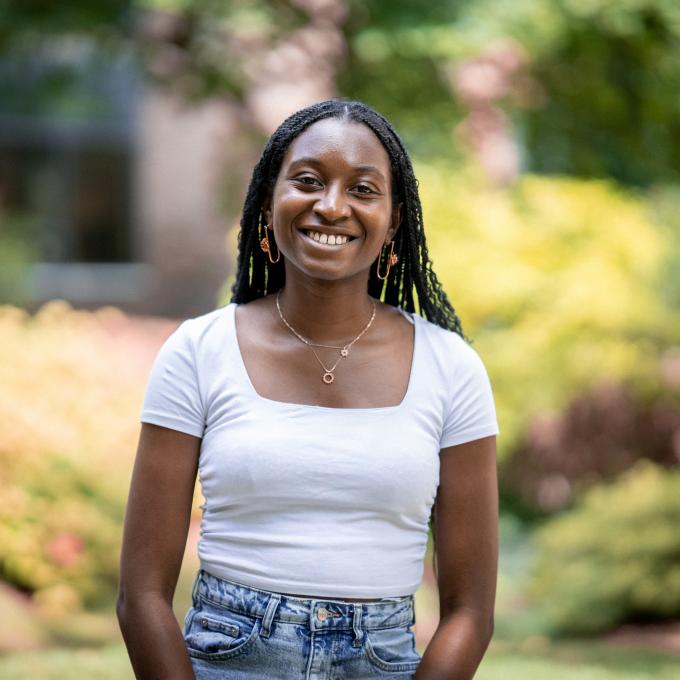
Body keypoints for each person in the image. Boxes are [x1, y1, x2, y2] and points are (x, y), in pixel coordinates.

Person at [117, 99, 500, 680]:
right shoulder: (199, 351)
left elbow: (471, 612)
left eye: (364, 189)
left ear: (394, 220)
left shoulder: (451, 367)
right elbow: (141, 595)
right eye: (308, 181)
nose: (331, 206)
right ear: (271, 199)